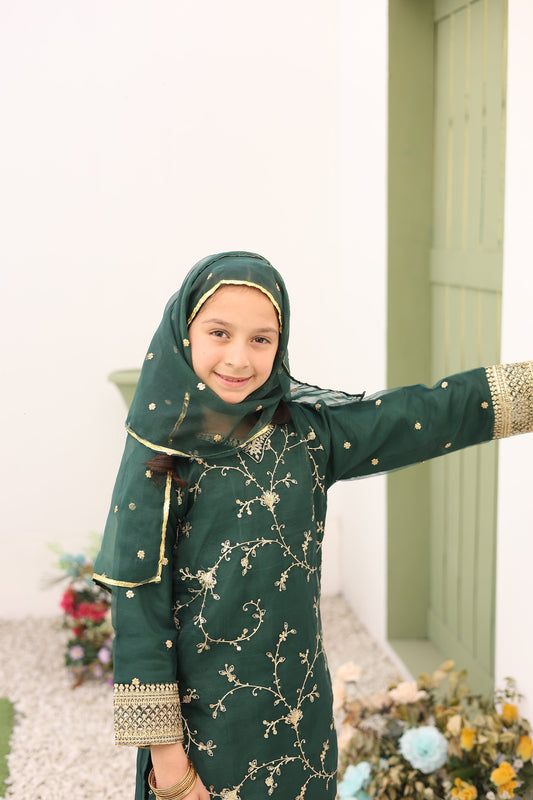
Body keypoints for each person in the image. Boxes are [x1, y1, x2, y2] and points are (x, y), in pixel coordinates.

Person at [94, 251, 532, 800]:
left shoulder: (305, 433)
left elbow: (419, 417)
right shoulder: (159, 454)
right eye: (220, 332)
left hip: (301, 723)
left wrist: (528, 387)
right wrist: (170, 764)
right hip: (205, 736)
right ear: (184, 333)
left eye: (261, 339)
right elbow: (140, 613)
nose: (239, 357)